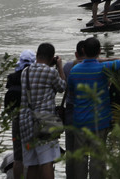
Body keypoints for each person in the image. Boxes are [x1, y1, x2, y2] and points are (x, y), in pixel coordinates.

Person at [67, 37, 120, 179]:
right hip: (100, 121)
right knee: (98, 160)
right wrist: (102, 60)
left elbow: (72, 93)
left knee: (80, 159)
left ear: (82, 50)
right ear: (99, 51)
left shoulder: (74, 71)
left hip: (80, 121)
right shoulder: (103, 68)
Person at [18, 43, 66, 179]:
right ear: (52, 58)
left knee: (31, 163)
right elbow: (62, 87)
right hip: (44, 122)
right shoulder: (51, 72)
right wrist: (60, 67)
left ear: (37, 54)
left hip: (26, 122)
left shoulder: (24, 72)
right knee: (47, 161)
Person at [5, 49, 37, 179]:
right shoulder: (36, 75)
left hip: (17, 118)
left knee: (18, 157)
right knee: (34, 156)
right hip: (33, 118)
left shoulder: (12, 78)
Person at [62, 39, 89, 179]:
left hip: (70, 113)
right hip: (87, 113)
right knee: (83, 153)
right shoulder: (94, 67)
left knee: (70, 152)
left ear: (76, 53)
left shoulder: (68, 67)